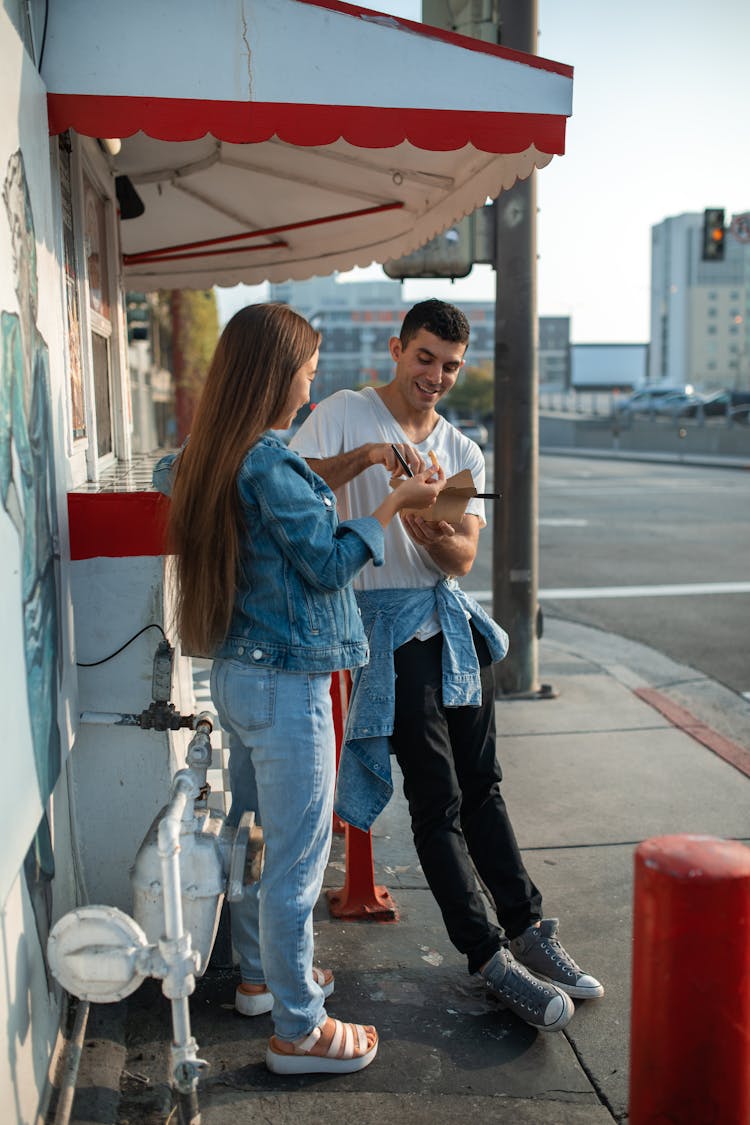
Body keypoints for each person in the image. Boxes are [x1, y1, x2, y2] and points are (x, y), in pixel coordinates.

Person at [290, 298, 604, 1035]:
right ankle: (487, 958)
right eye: (425, 357)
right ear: (398, 349)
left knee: (484, 785)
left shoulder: (461, 450)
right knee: (437, 802)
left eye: (451, 366)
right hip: (386, 633)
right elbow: (291, 481)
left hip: (449, 624)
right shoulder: (344, 411)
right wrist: (373, 462)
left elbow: (463, 554)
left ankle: (527, 928)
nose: (435, 375)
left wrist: (428, 526)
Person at [154, 302, 444, 1075]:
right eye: (308, 374)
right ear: (276, 376)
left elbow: (244, 484)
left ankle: (261, 976)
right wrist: (393, 505)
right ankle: (299, 1027)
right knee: (296, 861)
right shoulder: (266, 461)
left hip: (241, 677)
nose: (311, 392)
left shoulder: (214, 454)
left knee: (254, 837)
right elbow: (324, 562)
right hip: (289, 685)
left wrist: (353, 467)